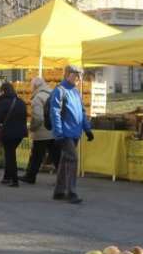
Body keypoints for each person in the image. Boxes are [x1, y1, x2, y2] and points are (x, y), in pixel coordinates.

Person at [49, 65, 93, 204]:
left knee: (64, 161)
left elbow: (82, 113)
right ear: (68, 74)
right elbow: (54, 113)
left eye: (81, 75)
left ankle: (59, 191)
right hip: (65, 133)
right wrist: (59, 133)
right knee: (72, 159)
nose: (79, 78)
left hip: (75, 133)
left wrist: (87, 129)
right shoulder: (59, 91)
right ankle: (71, 192)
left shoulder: (75, 92)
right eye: (76, 75)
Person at [21, 77, 55, 184]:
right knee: (57, 156)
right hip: (55, 131)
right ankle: (64, 179)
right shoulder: (54, 94)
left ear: (35, 86)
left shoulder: (38, 98)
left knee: (36, 156)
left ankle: (30, 176)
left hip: (42, 132)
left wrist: (32, 128)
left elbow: (38, 118)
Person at [0, 82, 28, 187]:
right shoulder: (21, 102)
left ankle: (14, 179)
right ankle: (7, 176)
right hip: (20, 133)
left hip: (8, 133)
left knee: (10, 155)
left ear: (3, 91)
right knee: (10, 154)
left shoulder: (3, 102)